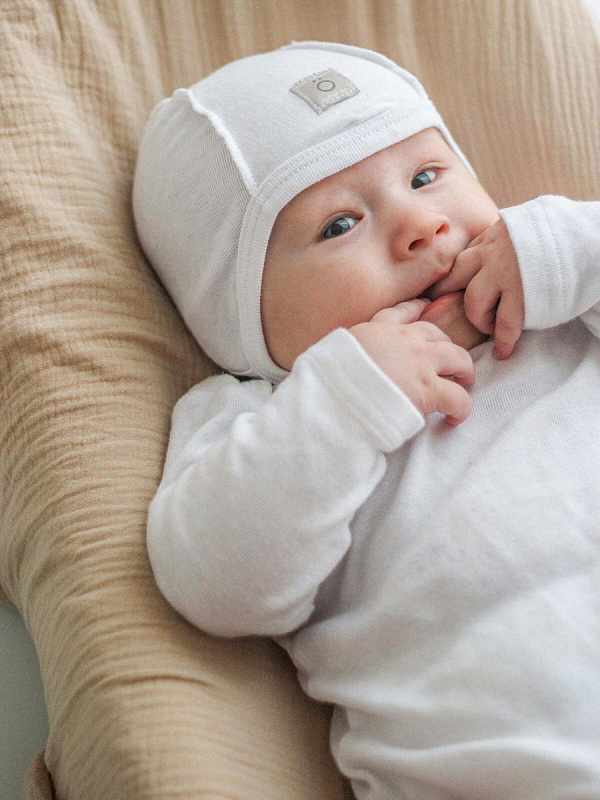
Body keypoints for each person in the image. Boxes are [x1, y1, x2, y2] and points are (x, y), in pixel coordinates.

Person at [133, 41, 600, 799]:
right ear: (239, 315)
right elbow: (215, 583)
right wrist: (347, 398)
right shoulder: (268, 418)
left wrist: (566, 247)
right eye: (339, 225)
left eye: (427, 176)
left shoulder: (567, 308)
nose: (421, 225)